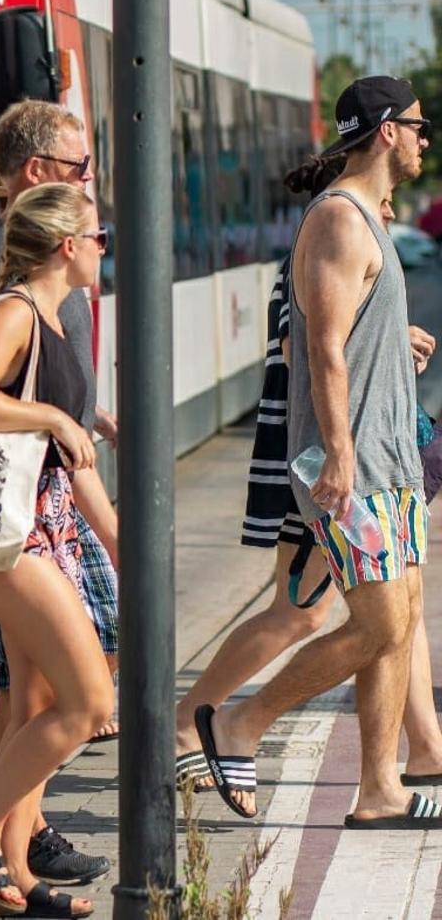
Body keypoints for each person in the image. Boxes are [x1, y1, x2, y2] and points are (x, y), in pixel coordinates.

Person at [195, 75, 442, 828]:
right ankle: (239, 723)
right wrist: (337, 453)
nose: (427, 139)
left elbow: (338, 330)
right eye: (419, 126)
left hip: (389, 456)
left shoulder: (365, 217)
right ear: (386, 132)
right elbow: (321, 350)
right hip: (355, 462)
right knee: (377, 624)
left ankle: (379, 790)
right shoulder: (338, 220)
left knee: (402, 611)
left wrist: (390, 340)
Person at [0, 101, 118, 891]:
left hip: (38, 528)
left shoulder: (45, 308)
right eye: (97, 235)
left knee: (38, 701)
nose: (104, 249)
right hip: (9, 532)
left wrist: (75, 418)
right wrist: (52, 414)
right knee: (84, 702)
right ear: (67, 244)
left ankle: (13, 876)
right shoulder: (14, 307)